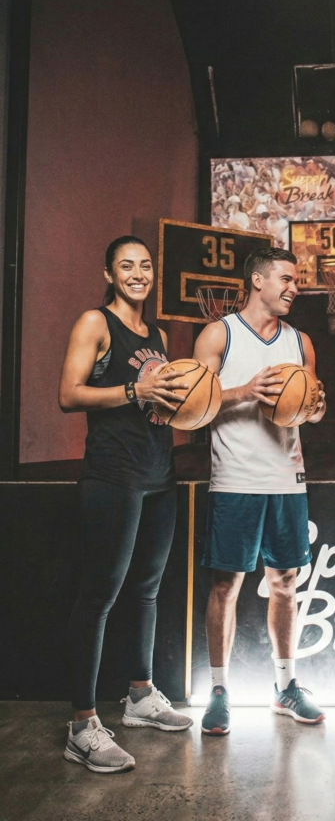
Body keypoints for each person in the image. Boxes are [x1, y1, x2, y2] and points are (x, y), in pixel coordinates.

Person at [58, 236, 193, 773]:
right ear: (109, 273)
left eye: (145, 265)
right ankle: (82, 724)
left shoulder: (155, 333)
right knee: (99, 596)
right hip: (113, 475)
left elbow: (162, 399)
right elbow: (69, 393)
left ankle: (139, 696)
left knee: (147, 590)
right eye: (126, 266)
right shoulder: (96, 322)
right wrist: (133, 393)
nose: (138, 273)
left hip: (159, 473)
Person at [193, 248, 327, 735]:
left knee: (286, 583)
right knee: (225, 586)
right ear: (257, 279)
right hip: (235, 479)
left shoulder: (301, 342)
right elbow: (192, 407)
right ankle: (219, 690)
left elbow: (313, 408)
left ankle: (287, 686)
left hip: (287, 479)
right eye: (287, 279)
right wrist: (246, 391)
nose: (295, 287)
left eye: (298, 281)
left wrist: (315, 406)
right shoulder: (219, 334)